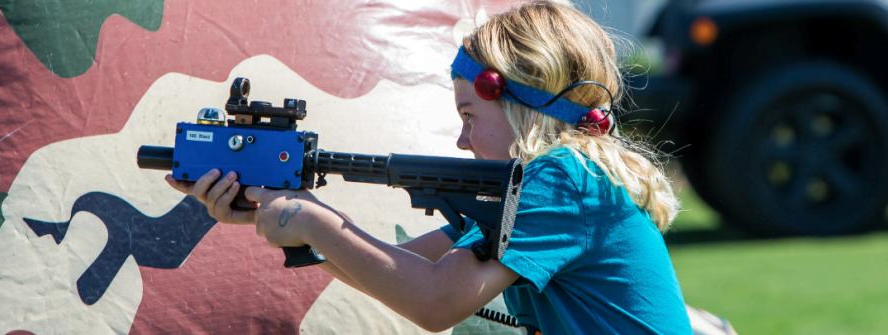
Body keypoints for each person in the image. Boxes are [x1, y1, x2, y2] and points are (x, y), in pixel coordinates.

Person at [166, 1, 692, 333]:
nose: (462, 141)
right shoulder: (565, 179)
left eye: (469, 116)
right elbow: (395, 271)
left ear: (517, 106)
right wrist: (288, 224)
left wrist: (311, 221)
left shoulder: (562, 178)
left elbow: (436, 305)